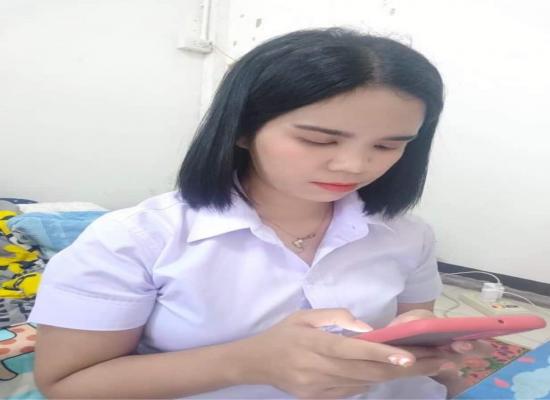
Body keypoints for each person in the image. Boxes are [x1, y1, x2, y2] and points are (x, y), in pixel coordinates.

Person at [30, 27, 487, 399]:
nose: (354, 165)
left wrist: (423, 349)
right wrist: (248, 362)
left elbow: (411, 327)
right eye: (318, 140)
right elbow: (66, 384)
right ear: (243, 130)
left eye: (387, 146)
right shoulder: (135, 240)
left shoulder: (407, 235)